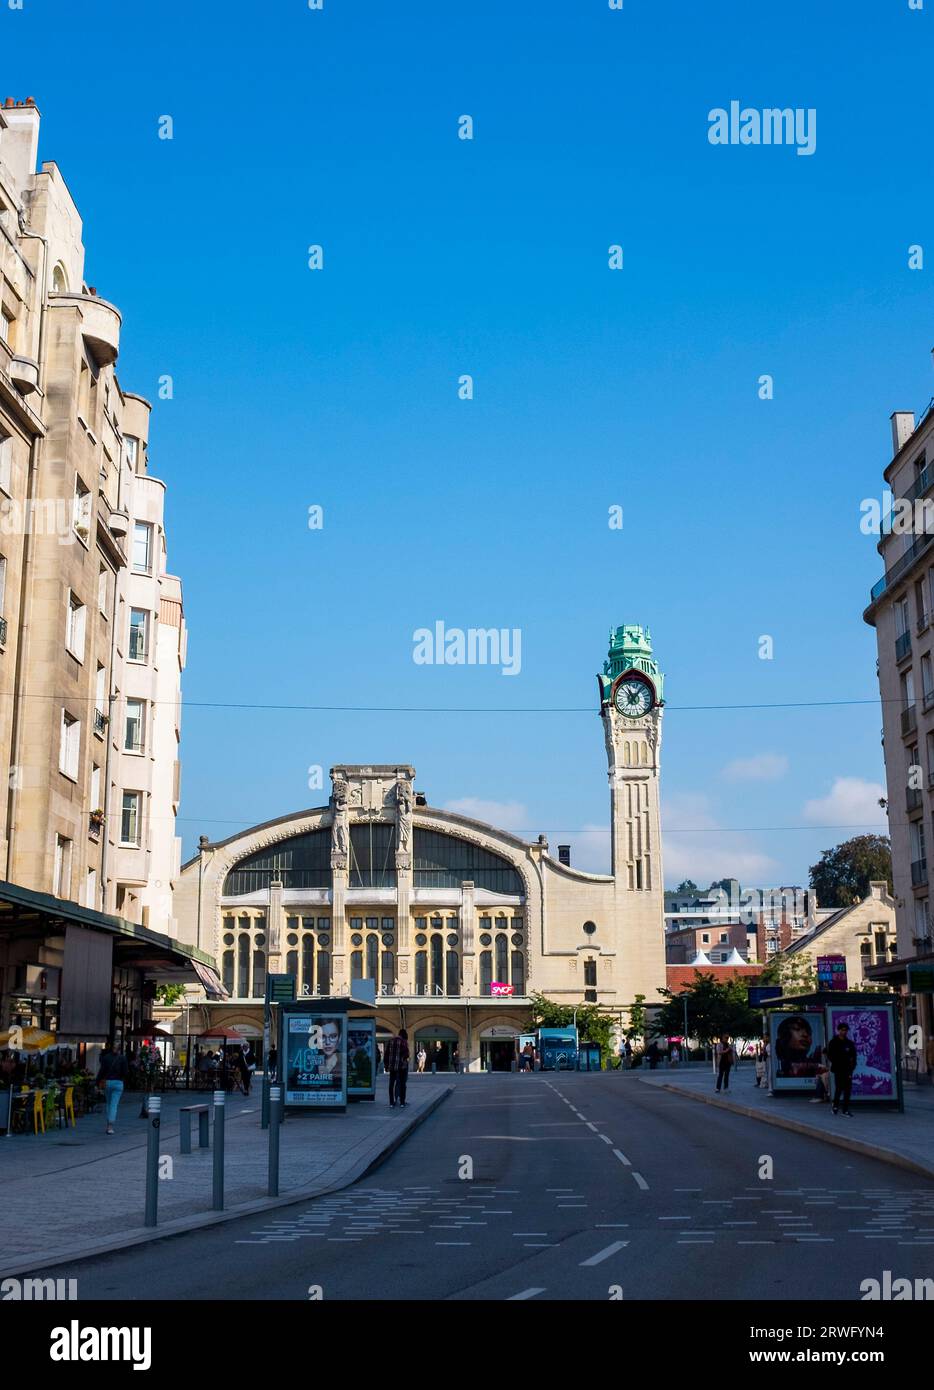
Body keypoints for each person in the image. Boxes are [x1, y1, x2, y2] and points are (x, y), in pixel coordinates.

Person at [826, 1021, 858, 1116]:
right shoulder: (833, 1042)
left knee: (847, 1090)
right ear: (838, 1030)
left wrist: (852, 1066)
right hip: (838, 1069)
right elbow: (830, 1055)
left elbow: (853, 1056)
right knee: (839, 1088)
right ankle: (835, 1106)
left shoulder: (849, 1043)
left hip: (848, 1069)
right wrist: (838, 1061)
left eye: (845, 1030)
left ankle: (845, 1109)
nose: (844, 1032)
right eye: (842, 1030)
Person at [96, 1043, 128, 1135]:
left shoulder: (106, 1058)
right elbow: (125, 1072)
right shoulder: (123, 1058)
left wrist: (97, 1082)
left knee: (109, 1103)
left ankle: (108, 1124)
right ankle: (110, 1126)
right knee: (114, 1104)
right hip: (118, 1083)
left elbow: (101, 1071)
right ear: (119, 1049)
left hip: (108, 1082)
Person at [384, 1027, 410, 1109]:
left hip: (392, 1066)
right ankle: (402, 1102)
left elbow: (386, 1054)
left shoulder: (390, 1041)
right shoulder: (403, 1042)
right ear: (404, 1035)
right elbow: (407, 1054)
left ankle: (391, 1102)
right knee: (402, 1084)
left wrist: (386, 1065)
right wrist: (402, 1059)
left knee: (391, 1084)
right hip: (401, 1066)